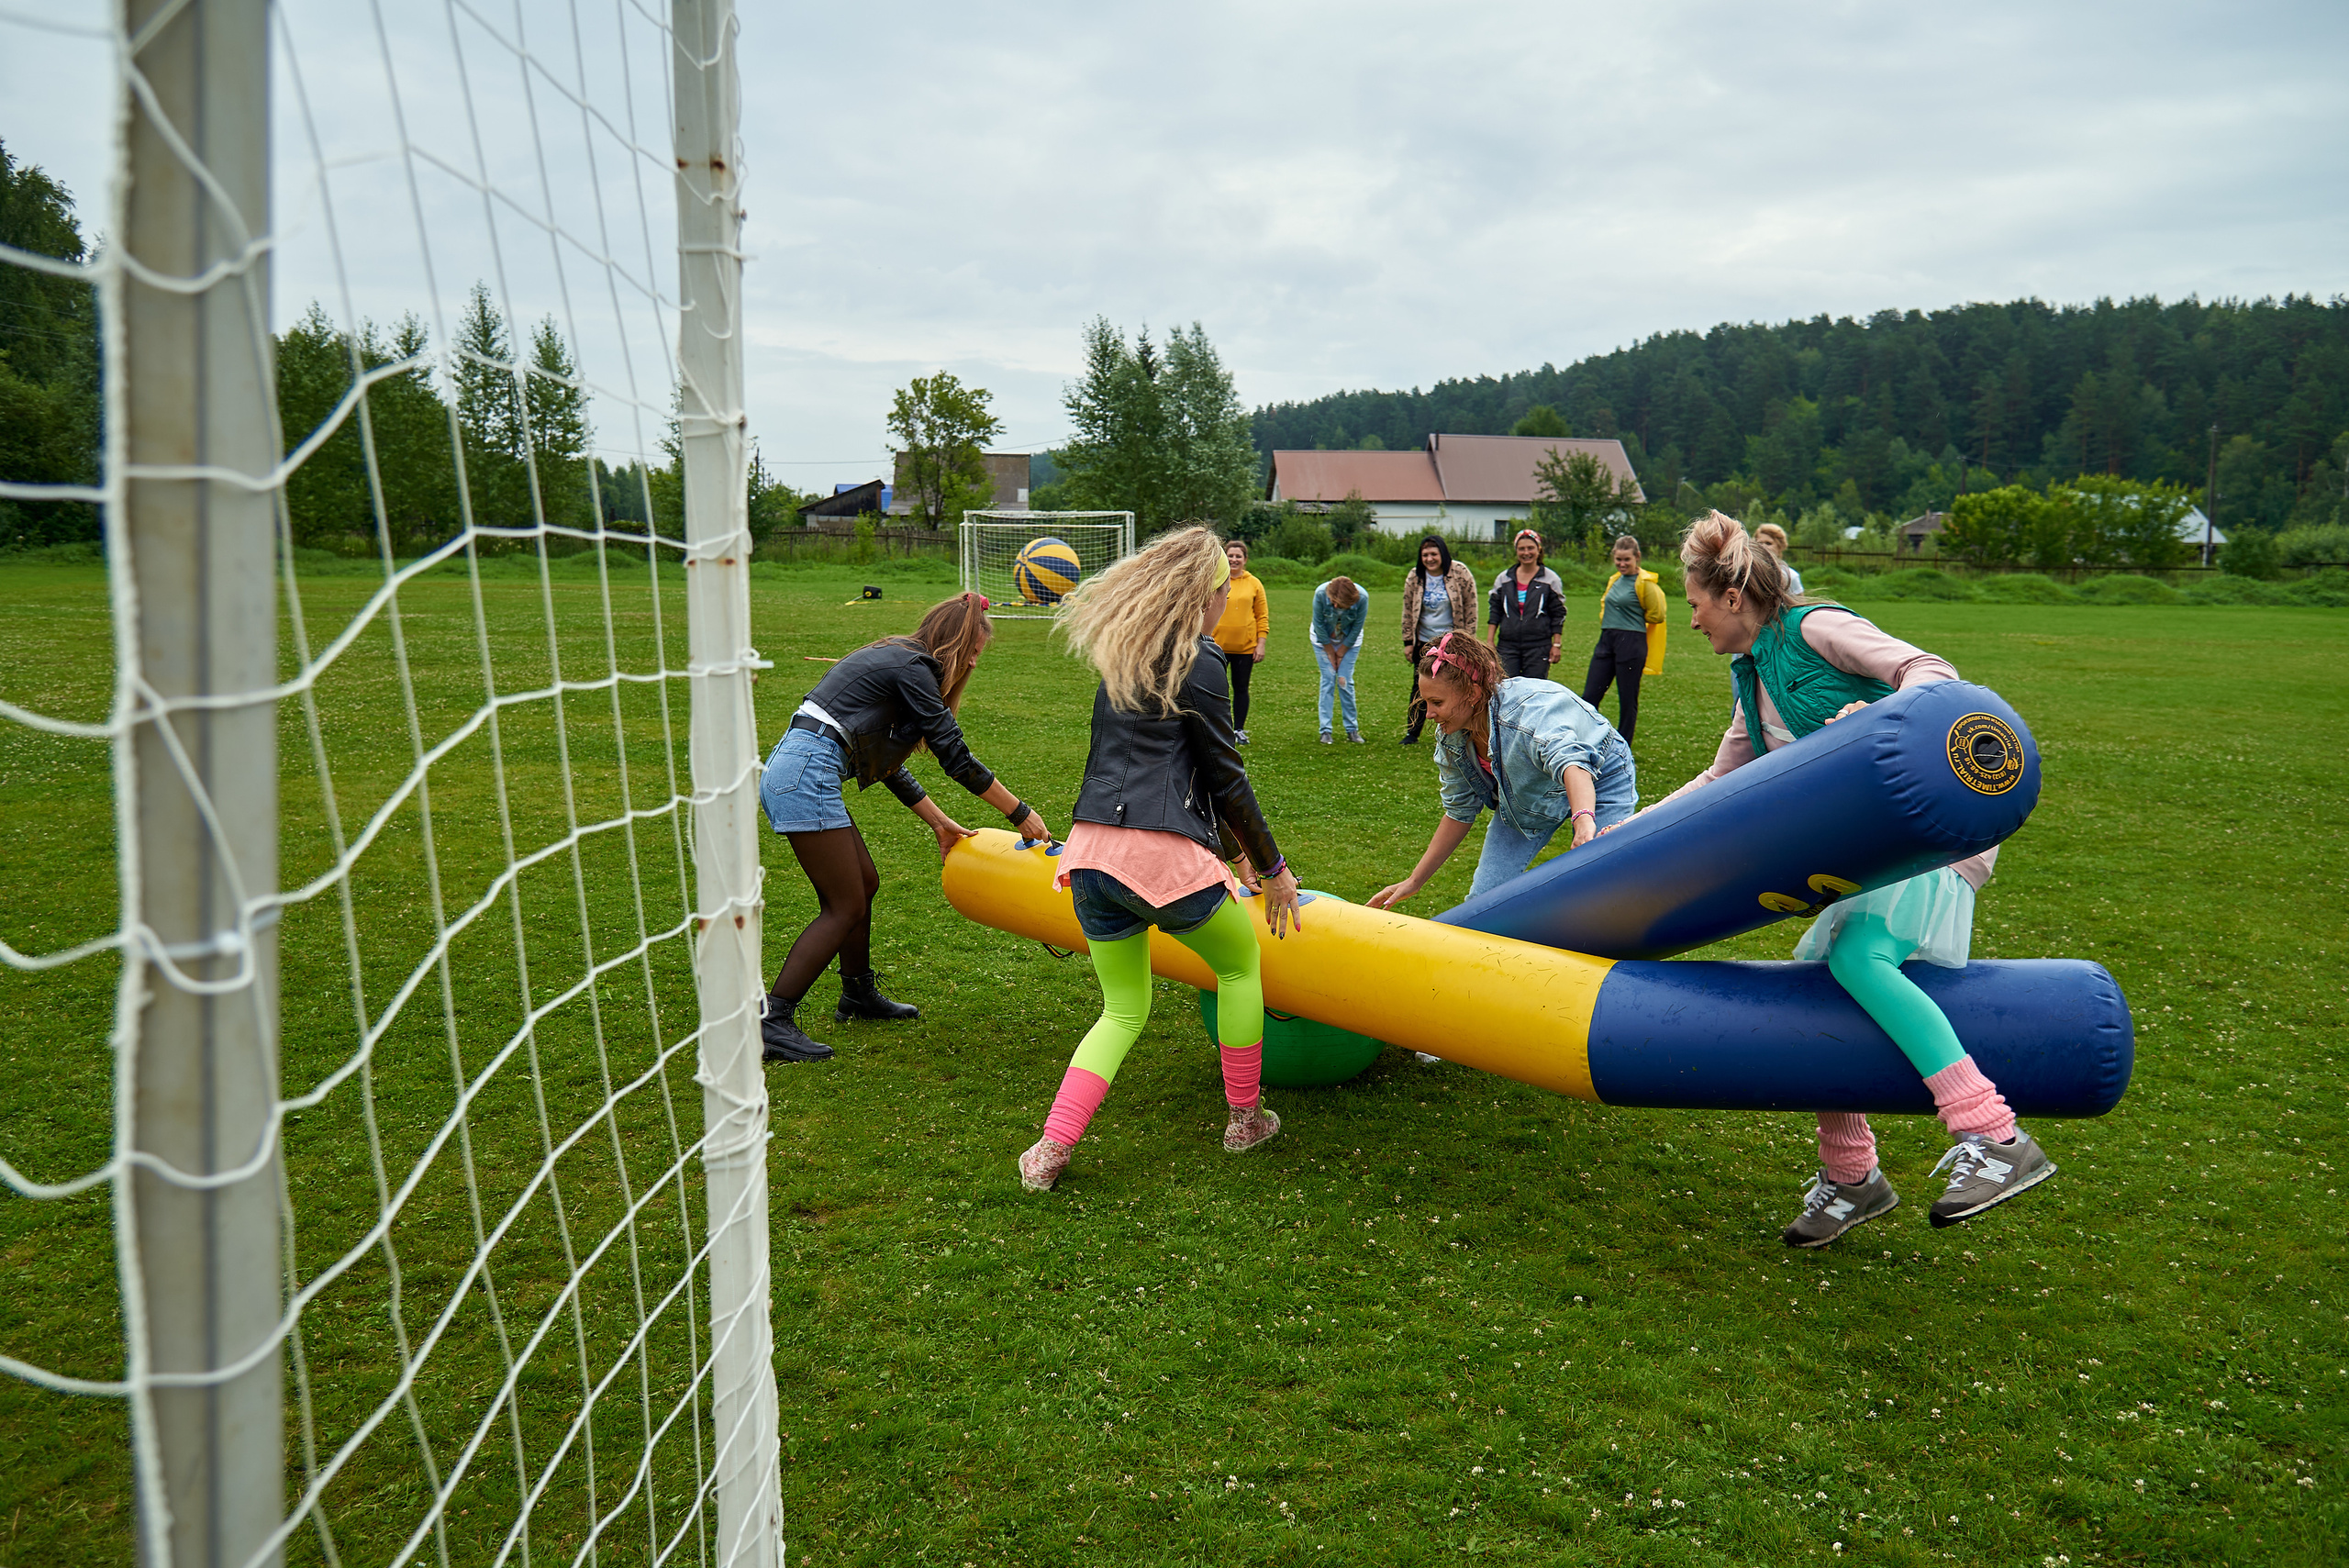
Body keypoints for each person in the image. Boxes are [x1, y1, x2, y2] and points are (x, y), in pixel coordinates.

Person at [1651, 509, 2053, 1244]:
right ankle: (1852, 1176)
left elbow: (1932, 674)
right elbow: (1720, 776)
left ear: (1733, 597)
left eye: (1697, 602)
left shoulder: (1811, 627)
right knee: (1819, 988)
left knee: (1858, 958)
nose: (1695, 618)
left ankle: (1995, 1136)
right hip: (1867, 851)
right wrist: (1634, 830)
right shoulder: (1753, 680)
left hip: (1924, 834)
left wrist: (1879, 717)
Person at [1019, 527, 1304, 1192]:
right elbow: (1225, 777)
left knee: (1122, 1008)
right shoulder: (1200, 660)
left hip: (1087, 855)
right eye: (1222, 592)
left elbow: (1164, 771)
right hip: (1159, 857)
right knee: (1238, 964)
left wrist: (1232, 856)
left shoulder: (1123, 653)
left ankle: (1049, 1149)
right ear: (1204, 593)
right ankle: (1244, 1119)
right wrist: (1274, 868)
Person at [759, 592, 1052, 1062]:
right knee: (844, 905)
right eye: (973, 651)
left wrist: (939, 823)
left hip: (804, 769)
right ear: (954, 642)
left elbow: (887, 764)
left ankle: (857, 995)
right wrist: (1017, 811)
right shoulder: (915, 668)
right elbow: (954, 755)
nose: (975, 661)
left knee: (863, 885)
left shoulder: (900, 659)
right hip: (805, 774)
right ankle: (772, 1020)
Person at [1369, 630, 1638, 910]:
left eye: (1437, 702)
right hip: (1527, 795)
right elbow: (1459, 812)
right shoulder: (1451, 736)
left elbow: (1571, 762)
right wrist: (1414, 881)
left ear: (1473, 694)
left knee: (1599, 893)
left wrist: (1583, 821)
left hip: (1600, 776)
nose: (1429, 714)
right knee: (1484, 901)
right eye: (1425, 702)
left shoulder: (1526, 717)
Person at [1581, 535, 1668, 744]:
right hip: (1606, 640)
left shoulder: (1645, 583)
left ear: (1637, 557)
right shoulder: (1615, 580)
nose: (1622, 564)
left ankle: (1623, 745)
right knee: (1590, 694)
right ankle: (1585, 738)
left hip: (1631, 642)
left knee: (1627, 699)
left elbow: (1657, 614)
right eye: (1618, 559)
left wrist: (1632, 620)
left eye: (1626, 560)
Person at [1398, 535, 1479, 745]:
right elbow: (1407, 609)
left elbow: (1471, 606)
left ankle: (1460, 728)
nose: (1429, 558)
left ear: (1442, 554)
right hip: (1424, 642)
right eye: (1425, 555)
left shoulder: (1460, 572)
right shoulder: (1415, 576)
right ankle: (1412, 732)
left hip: (1452, 642)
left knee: (1456, 685)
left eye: (1434, 554)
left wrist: (1467, 639)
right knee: (1420, 687)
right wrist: (1408, 640)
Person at [1486, 528, 1567, 680]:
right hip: (1507, 646)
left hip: (1538, 646)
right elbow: (1495, 611)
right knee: (1506, 687)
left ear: (1539, 549)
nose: (1526, 553)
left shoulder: (1550, 579)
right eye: (1521, 549)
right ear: (1516, 551)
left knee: (1535, 690)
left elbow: (1558, 613)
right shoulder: (1504, 579)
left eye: (1530, 548)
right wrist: (1490, 641)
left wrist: (1556, 644)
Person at [1209, 537, 1270, 743]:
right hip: (1216, 646)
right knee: (1216, 689)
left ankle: (1239, 730)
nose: (1234, 559)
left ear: (1245, 559)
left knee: (1241, 688)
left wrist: (1260, 643)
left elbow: (1262, 615)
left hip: (1245, 648)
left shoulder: (1254, 583)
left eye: (1238, 556)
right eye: (1230, 556)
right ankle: (1217, 729)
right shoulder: (1216, 580)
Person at [1310, 573, 1369, 742]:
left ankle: (1352, 729)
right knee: (1328, 679)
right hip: (1322, 641)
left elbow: (1357, 626)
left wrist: (1341, 652)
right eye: (1333, 602)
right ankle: (1325, 730)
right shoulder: (1321, 593)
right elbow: (1319, 624)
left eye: (1340, 604)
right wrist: (1330, 652)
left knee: (1344, 681)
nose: (1335, 606)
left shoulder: (1362, 597)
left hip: (1349, 642)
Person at [1754, 521, 1804, 596]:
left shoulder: (1790, 576)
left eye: (1768, 543)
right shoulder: (1749, 573)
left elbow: (1800, 605)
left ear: (1780, 547)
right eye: (1760, 543)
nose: (1763, 547)